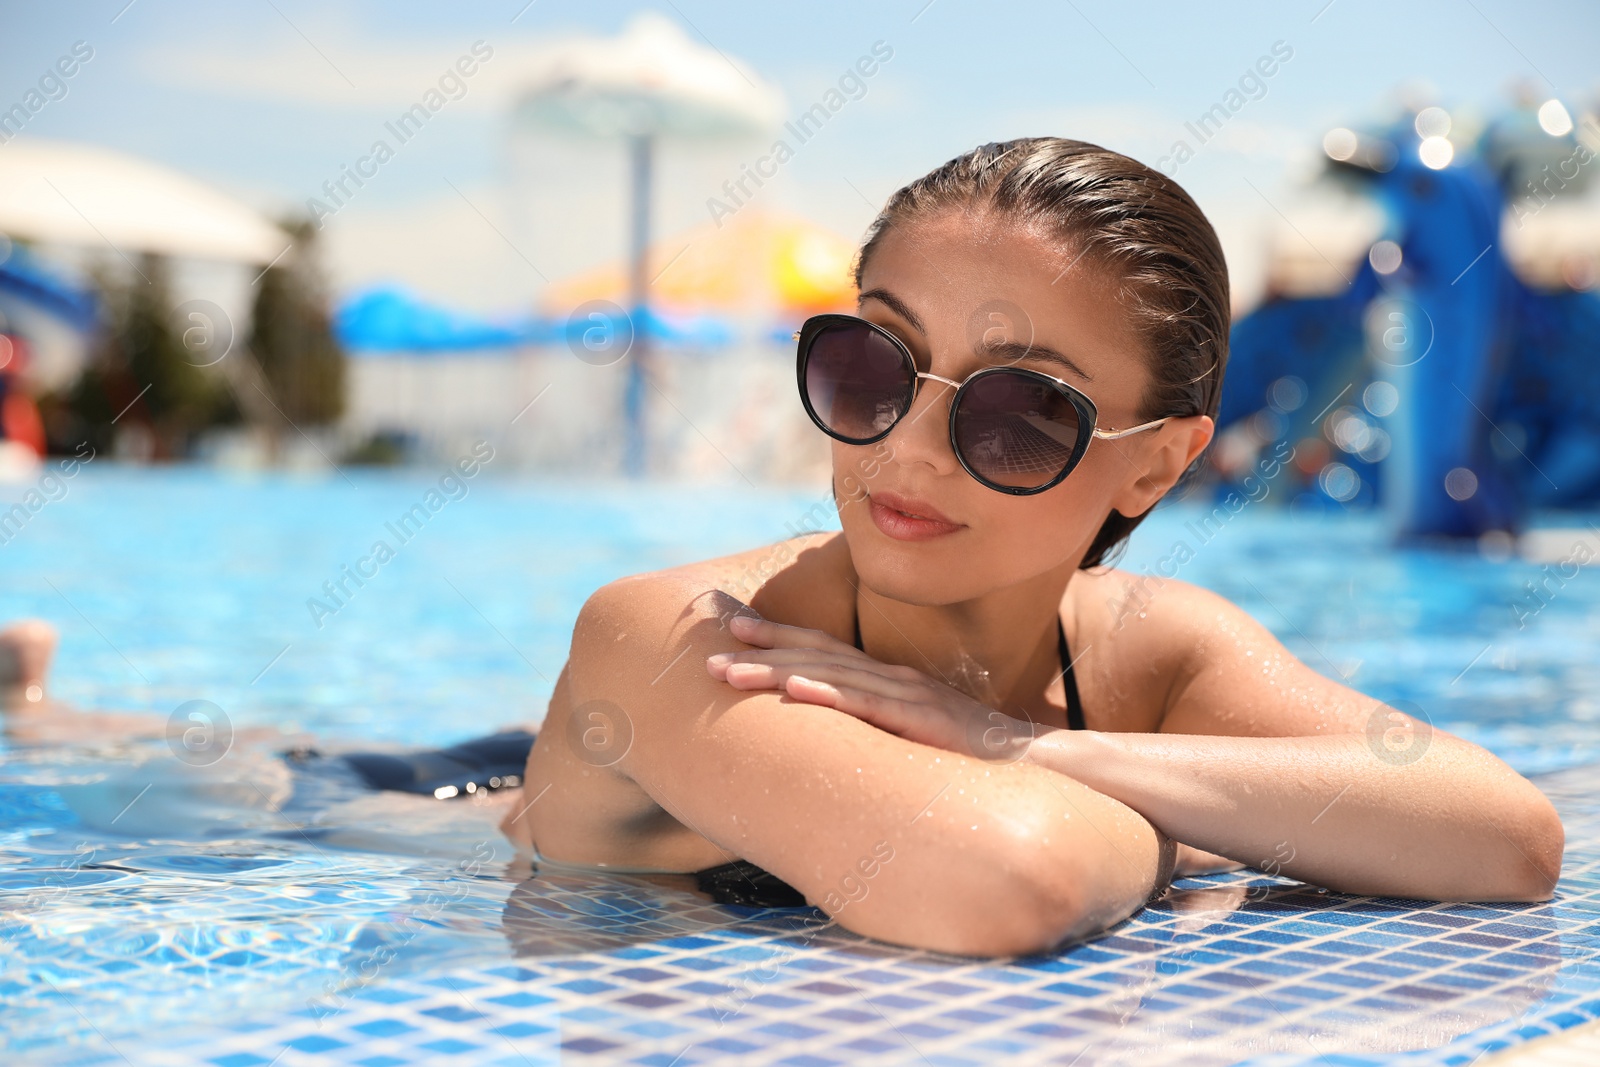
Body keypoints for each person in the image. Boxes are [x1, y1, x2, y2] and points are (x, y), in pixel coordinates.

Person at [495, 137, 1564, 958]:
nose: (907, 446)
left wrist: (1014, 742)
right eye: (873, 361)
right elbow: (1004, 877)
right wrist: (1195, 824)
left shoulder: (1151, 650)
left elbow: (1502, 833)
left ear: (1154, 465)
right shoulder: (680, 638)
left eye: (1020, 409)